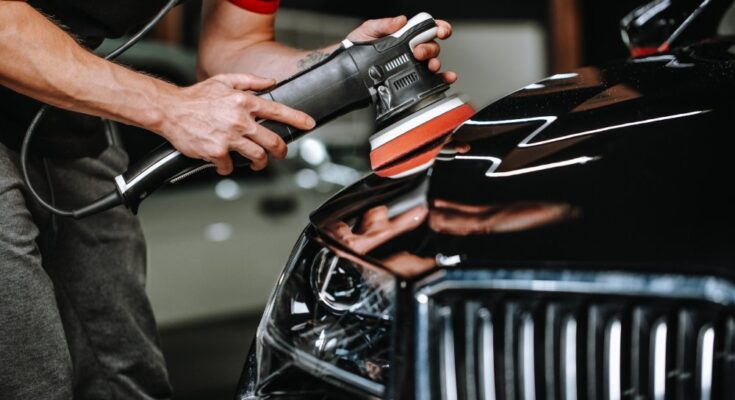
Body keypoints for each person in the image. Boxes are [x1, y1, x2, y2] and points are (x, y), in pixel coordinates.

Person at [0, 0, 456, 398]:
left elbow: (230, 49)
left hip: (65, 117)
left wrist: (343, 65)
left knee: (124, 367)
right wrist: (170, 107)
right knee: (31, 374)